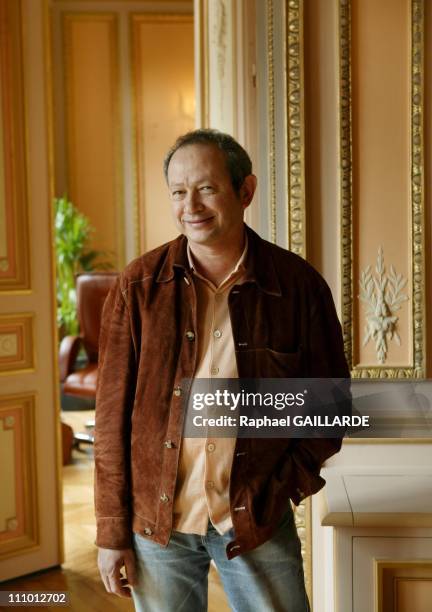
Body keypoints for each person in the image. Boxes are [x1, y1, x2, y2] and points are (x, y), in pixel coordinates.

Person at [94, 129, 350, 611]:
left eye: (207, 188)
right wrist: (111, 531)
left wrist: (282, 488)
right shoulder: (138, 286)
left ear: (245, 190)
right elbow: (109, 421)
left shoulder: (297, 286)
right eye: (178, 191)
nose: (190, 205)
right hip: (158, 525)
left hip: (255, 520)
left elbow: (330, 406)